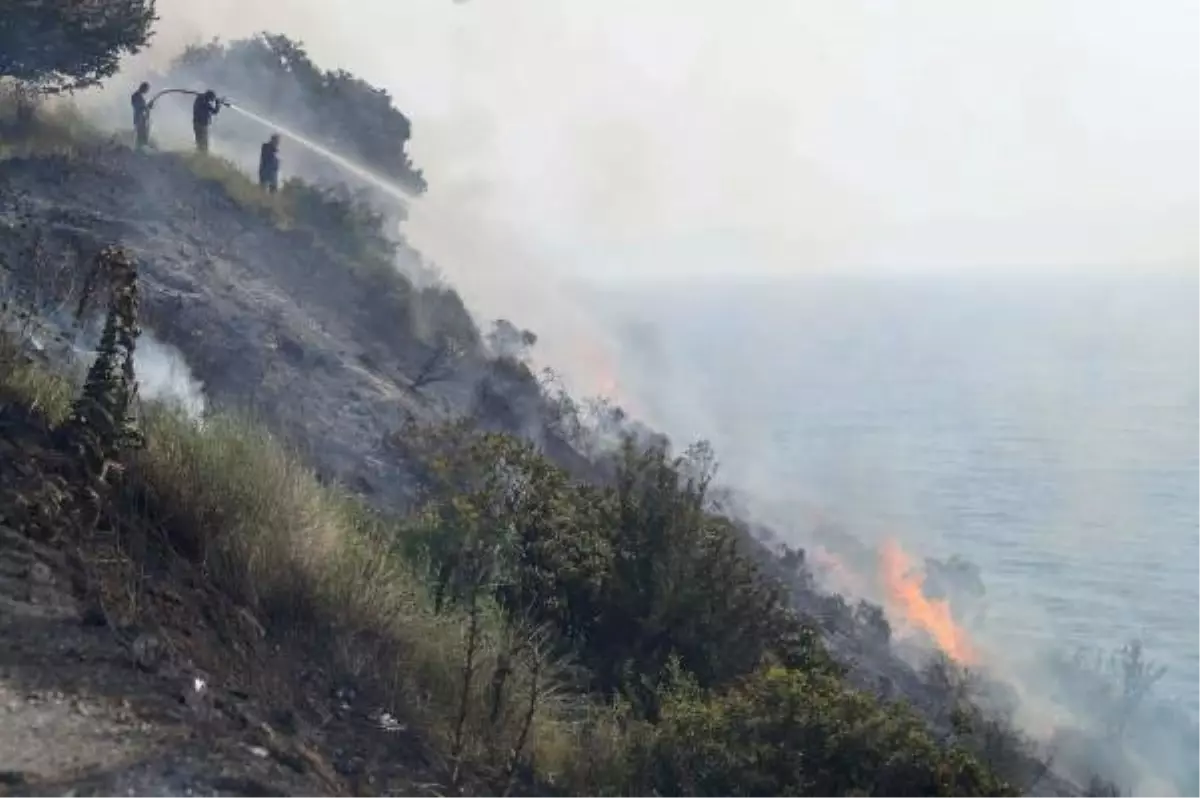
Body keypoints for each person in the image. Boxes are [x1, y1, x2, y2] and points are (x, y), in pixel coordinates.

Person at [131, 82, 151, 149]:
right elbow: (137, 107)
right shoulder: (136, 95)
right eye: (146, 89)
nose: (147, 91)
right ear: (143, 88)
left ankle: (140, 149)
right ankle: (139, 150)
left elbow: (143, 107)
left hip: (141, 119)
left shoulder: (138, 95)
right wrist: (146, 107)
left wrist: (147, 107)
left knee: (143, 136)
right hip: (139, 119)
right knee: (140, 136)